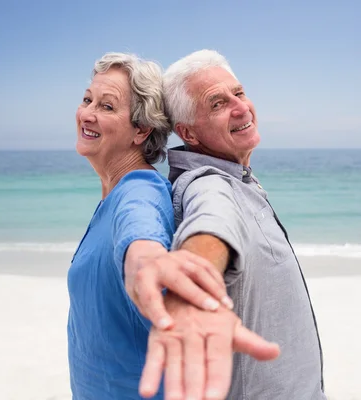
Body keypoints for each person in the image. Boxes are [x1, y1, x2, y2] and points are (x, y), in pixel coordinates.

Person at [67, 52, 275, 400]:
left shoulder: (139, 190)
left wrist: (151, 264)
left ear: (141, 130)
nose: (88, 113)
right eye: (88, 100)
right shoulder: (114, 193)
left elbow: (142, 240)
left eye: (107, 107)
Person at [140, 50, 327, 400]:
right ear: (188, 133)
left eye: (238, 93)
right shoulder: (208, 183)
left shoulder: (238, 177)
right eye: (217, 104)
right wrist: (189, 290)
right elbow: (211, 222)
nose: (240, 108)